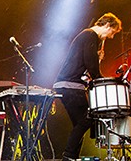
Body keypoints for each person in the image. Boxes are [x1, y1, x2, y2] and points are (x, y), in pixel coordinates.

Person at [53, 13, 122, 161]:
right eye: (112, 32)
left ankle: (71, 156)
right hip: (70, 85)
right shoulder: (90, 35)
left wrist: (96, 59)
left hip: (67, 85)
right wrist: (101, 80)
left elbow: (85, 64)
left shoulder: (87, 36)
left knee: (80, 124)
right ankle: (68, 155)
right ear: (107, 25)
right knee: (87, 120)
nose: (111, 37)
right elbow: (90, 64)